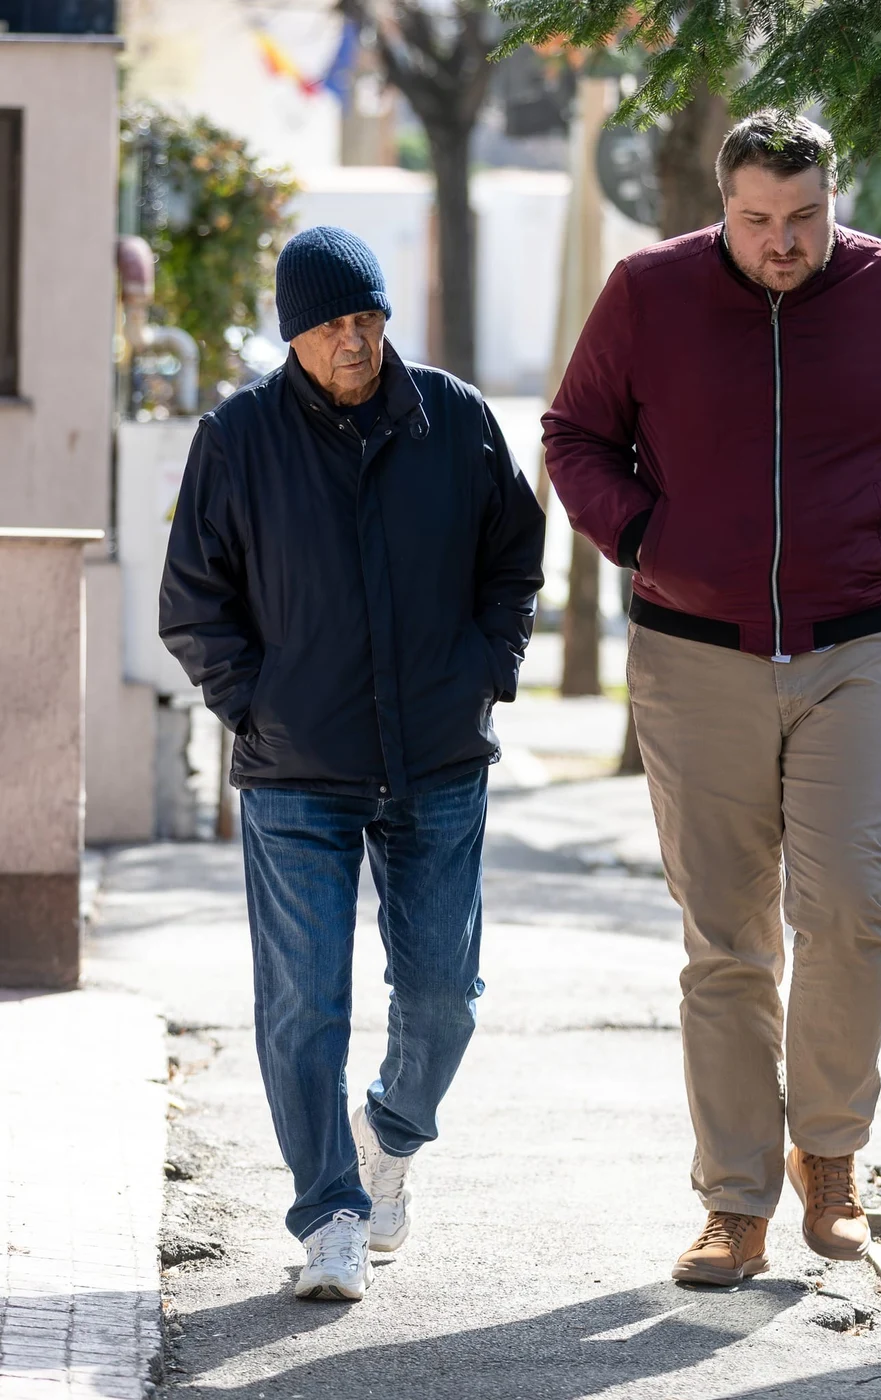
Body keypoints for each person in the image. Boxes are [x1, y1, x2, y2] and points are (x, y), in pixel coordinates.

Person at [544, 112, 881, 1284]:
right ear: (721, 204)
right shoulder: (650, 291)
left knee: (853, 906)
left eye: (801, 220)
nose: (779, 242)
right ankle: (734, 1199)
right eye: (755, 221)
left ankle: (828, 1154)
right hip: (694, 656)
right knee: (726, 940)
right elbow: (572, 435)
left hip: (854, 648)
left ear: (831, 200)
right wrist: (647, 534)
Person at [160, 225, 546, 1301]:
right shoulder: (238, 436)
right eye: (333, 323)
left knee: (443, 996)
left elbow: (514, 556)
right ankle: (329, 1210)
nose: (356, 339)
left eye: (368, 317)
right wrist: (256, 707)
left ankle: (391, 1133)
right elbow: (194, 600)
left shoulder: (454, 418)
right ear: (293, 331)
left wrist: (488, 669)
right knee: (301, 1007)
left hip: (437, 757)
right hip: (296, 771)